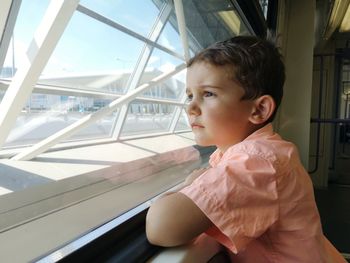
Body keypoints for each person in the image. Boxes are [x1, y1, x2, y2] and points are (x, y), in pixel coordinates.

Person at [146, 35, 346, 262]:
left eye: (208, 94)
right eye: (190, 95)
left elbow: (161, 227)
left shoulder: (257, 162)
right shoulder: (247, 154)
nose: (190, 107)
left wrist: (189, 185)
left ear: (259, 110)